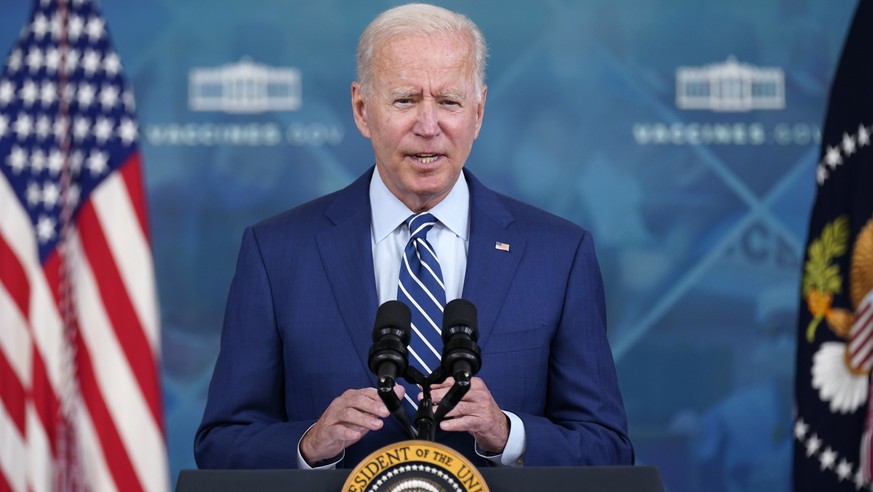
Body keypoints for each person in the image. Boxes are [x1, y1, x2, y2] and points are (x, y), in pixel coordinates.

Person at [194, 2, 633, 470]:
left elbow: (608, 450)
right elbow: (222, 446)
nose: (428, 127)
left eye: (449, 102)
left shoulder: (558, 255)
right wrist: (308, 444)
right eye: (405, 100)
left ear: (479, 111)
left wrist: (508, 435)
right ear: (362, 110)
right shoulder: (276, 253)